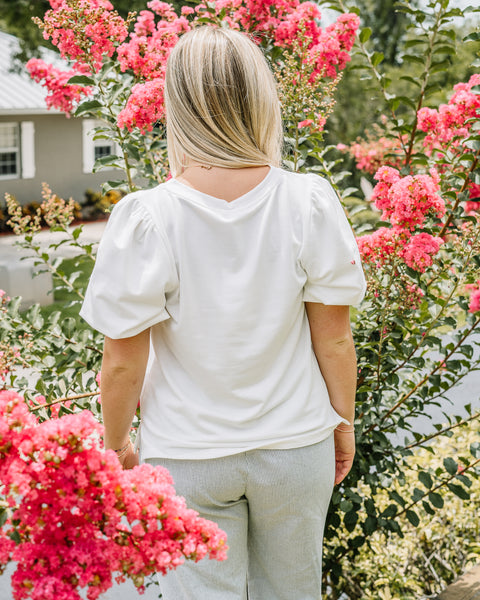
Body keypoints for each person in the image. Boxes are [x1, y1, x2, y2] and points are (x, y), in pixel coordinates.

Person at [80, 25, 366, 600]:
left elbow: (121, 362)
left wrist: (115, 447)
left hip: (188, 459)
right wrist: (342, 422)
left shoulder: (146, 217)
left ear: (177, 106)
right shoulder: (307, 200)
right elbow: (333, 342)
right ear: (261, 99)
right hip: (294, 449)